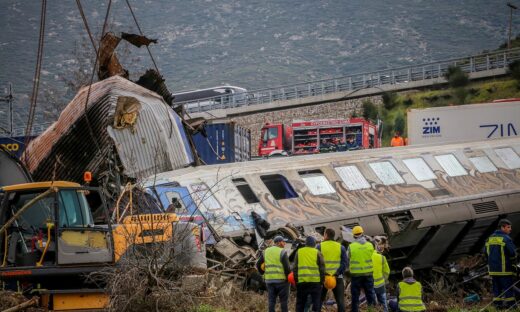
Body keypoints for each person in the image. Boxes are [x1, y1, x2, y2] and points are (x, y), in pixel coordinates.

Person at [485, 219, 517, 309]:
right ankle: (512, 306)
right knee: (508, 289)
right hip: (504, 270)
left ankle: (498, 306)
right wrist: (514, 265)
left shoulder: (489, 238)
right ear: (502, 227)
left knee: (496, 289)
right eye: (508, 227)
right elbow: (513, 254)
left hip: (493, 271)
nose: (510, 229)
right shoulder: (506, 238)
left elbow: (485, 254)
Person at [256, 236, 291, 312]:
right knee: (284, 301)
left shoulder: (266, 251)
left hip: (269, 281)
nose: (284, 243)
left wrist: (262, 273)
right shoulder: (282, 252)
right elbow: (287, 268)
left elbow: (258, 264)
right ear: (278, 243)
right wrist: (289, 279)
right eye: (283, 241)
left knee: (271, 301)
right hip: (282, 282)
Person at [316, 228, 347, 312]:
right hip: (337, 277)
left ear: (325, 235)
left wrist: (323, 273)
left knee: (319, 301)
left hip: (323, 278)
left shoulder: (319, 247)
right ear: (333, 236)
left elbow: (316, 263)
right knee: (340, 301)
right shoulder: (341, 247)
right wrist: (337, 273)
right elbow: (344, 263)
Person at [347, 225, 376, 312]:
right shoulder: (370, 245)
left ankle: (355, 310)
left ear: (353, 235)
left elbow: (347, 258)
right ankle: (371, 310)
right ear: (363, 234)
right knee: (370, 293)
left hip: (356, 275)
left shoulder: (351, 247)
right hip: (368, 274)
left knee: (355, 295)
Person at [293, 236, 325, 312]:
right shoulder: (317, 252)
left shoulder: (299, 252)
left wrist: (296, 280)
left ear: (306, 243)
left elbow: (295, 268)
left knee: (300, 304)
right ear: (314, 244)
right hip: (315, 283)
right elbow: (322, 268)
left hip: (302, 282)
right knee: (316, 303)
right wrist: (322, 281)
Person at [372, 244, 390, 312]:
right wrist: (384, 280)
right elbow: (387, 271)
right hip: (381, 285)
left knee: (373, 306)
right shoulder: (381, 257)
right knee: (384, 304)